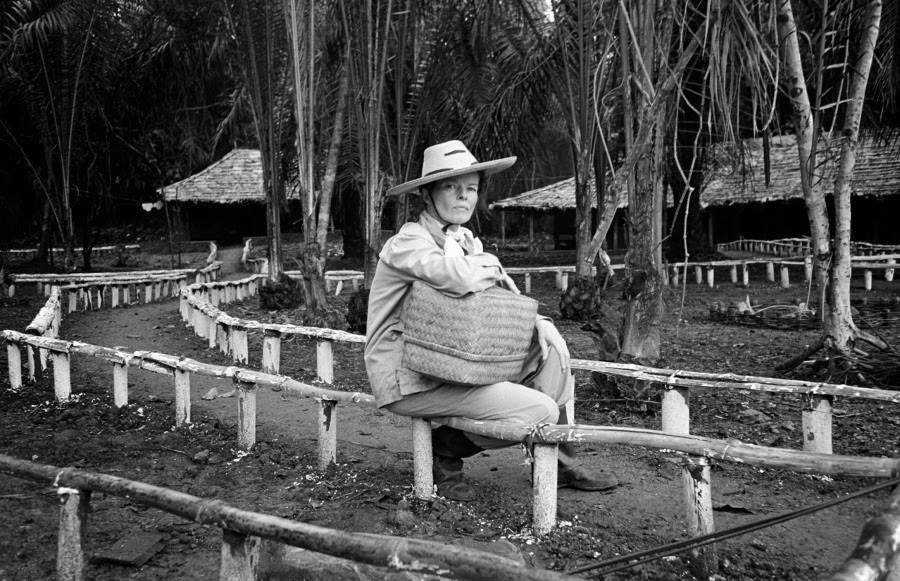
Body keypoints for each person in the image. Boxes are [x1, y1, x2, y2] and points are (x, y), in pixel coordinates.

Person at [364, 140, 618, 501]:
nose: (463, 196)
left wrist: (540, 323)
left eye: (471, 188)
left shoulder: (466, 243)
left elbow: (496, 298)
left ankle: (559, 464)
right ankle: (445, 450)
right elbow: (460, 277)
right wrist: (491, 262)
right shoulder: (408, 243)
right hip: (409, 378)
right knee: (540, 410)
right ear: (426, 194)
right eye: (451, 187)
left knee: (553, 358)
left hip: (456, 363)